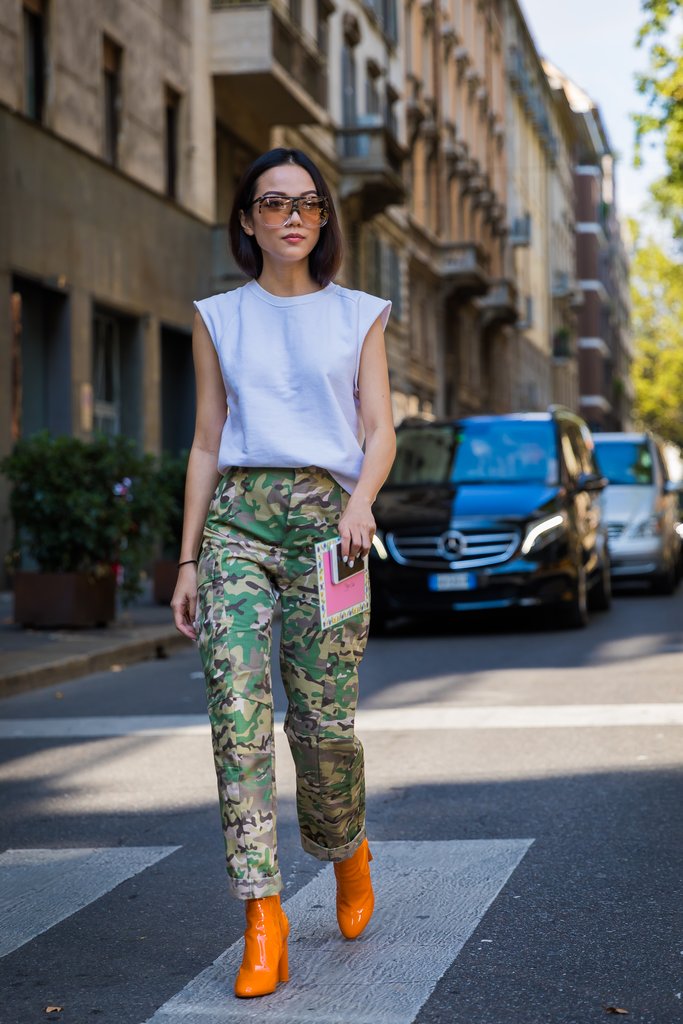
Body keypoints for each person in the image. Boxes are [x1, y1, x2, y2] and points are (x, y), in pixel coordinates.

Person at [171, 147, 396, 999]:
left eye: (307, 203)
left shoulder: (359, 314)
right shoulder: (218, 316)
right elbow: (204, 439)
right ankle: (261, 913)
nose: (293, 216)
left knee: (323, 726)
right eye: (274, 203)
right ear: (247, 221)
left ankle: (345, 847)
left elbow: (378, 430)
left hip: (329, 531)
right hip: (236, 522)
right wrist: (189, 556)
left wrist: (360, 501)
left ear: (324, 218)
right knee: (236, 716)